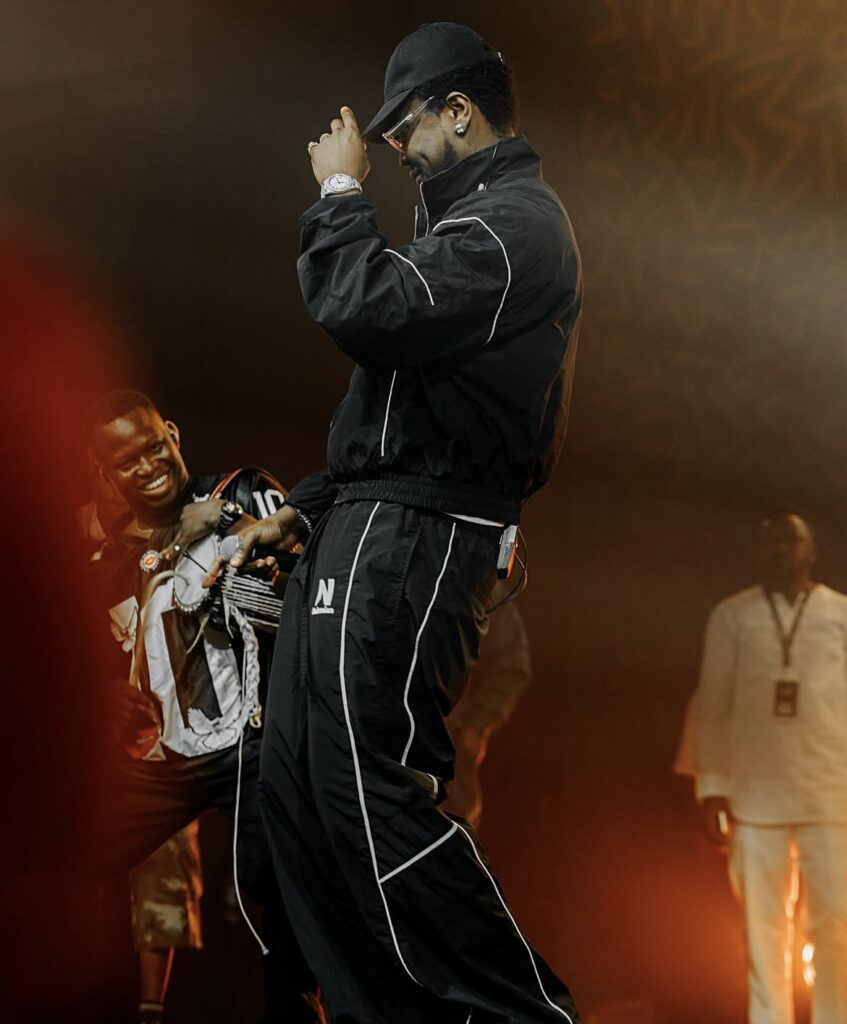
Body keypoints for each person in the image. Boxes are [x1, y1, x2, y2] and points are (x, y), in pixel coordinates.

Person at [221, 22, 582, 1024]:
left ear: (458, 112)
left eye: (401, 126)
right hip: (370, 517)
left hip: (418, 530)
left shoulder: (516, 224)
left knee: (366, 783)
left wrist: (341, 192)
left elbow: (367, 305)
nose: (388, 147)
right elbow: (389, 417)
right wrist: (304, 509)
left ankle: (524, 1015)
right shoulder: (459, 226)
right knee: (296, 785)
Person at [86, 389, 323, 1024]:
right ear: (106, 475)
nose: (148, 466)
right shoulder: (113, 559)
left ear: (173, 433)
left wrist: (224, 524)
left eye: (152, 446)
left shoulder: (239, 492)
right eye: (127, 462)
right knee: (59, 854)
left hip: (253, 744)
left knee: (280, 887)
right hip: (161, 761)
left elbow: (311, 568)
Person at [691, 512, 847, 1024]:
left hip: (831, 793)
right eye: (771, 541)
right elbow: (712, 705)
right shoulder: (732, 616)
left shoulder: (841, 614)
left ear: (812, 551)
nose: (781, 549)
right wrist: (713, 788)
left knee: (836, 930)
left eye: (791, 540)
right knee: (763, 932)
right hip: (754, 797)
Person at [81, 447, 206, 1024]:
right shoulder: (71, 534)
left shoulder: (175, 532)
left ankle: (150, 1009)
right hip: (82, 737)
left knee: (163, 867)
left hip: (161, 731)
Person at [443, 581, 533, 828]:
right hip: (378, 749)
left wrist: (475, 726)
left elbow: (511, 662)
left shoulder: (477, 579)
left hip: (447, 751)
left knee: (450, 838)